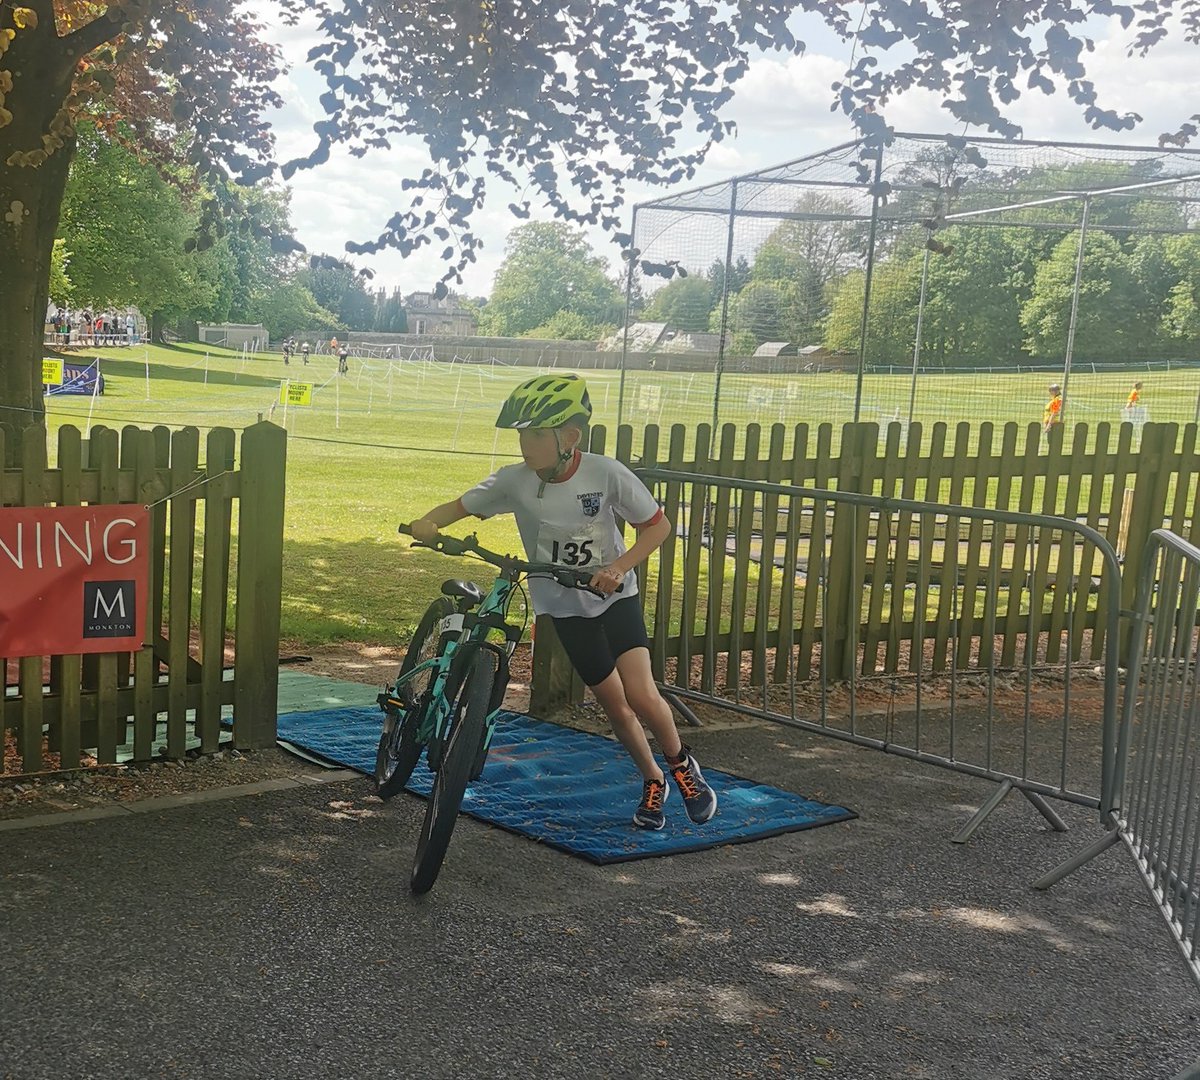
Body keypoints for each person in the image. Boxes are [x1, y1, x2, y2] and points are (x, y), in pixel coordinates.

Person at [409, 373, 718, 831]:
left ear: (569, 437)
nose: (525, 444)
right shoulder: (514, 481)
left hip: (614, 598)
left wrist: (619, 568)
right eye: (521, 434)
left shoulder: (606, 473)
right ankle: (653, 779)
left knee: (639, 693)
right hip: (565, 607)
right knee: (614, 705)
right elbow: (458, 508)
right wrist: (427, 522)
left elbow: (658, 526)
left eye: (536, 434)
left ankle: (681, 765)